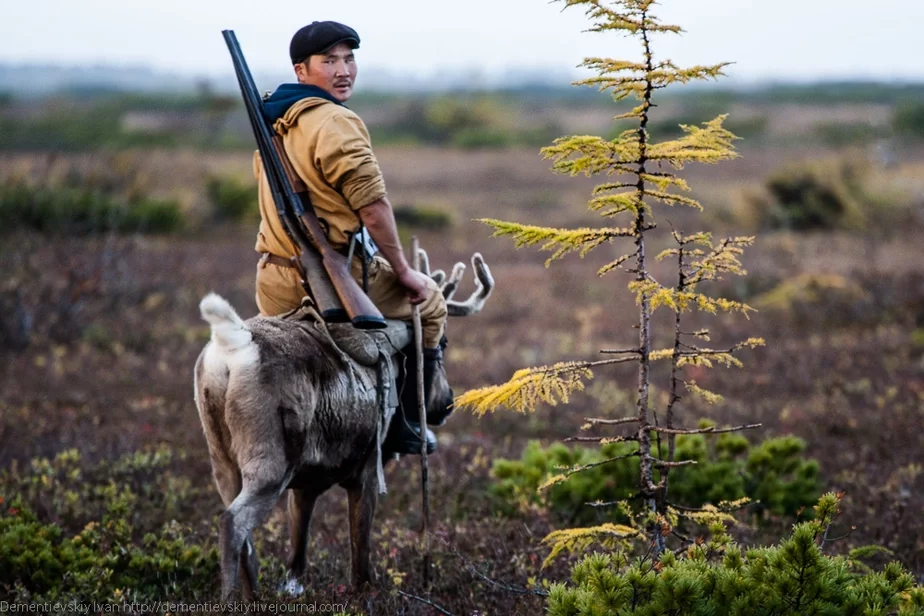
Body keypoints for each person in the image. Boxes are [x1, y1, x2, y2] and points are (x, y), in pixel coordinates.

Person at [252, 21, 447, 455]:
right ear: (301, 71)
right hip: (332, 278)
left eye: (349, 58)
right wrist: (403, 271)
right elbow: (374, 209)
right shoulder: (336, 122)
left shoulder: (275, 124)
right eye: (329, 61)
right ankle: (408, 424)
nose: (343, 71)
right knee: (431, 301)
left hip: (274, 282)